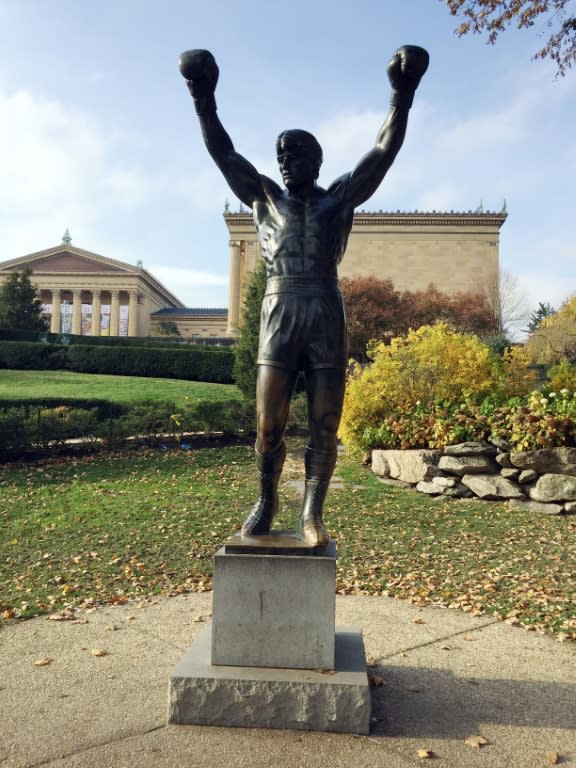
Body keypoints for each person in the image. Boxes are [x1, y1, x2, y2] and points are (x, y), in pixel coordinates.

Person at [179, 46, 429, 546]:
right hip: (279, 309)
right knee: (268, 423)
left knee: (325, 422)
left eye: (295, 156)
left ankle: (313, 512)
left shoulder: (339, 198)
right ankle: (267, 497)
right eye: (281, 157)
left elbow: (382, 152)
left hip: (323, 309)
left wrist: (402, 95)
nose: (286, 163)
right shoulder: (264, 198)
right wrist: (203, 97)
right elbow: (223, 153)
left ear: (316, 161)